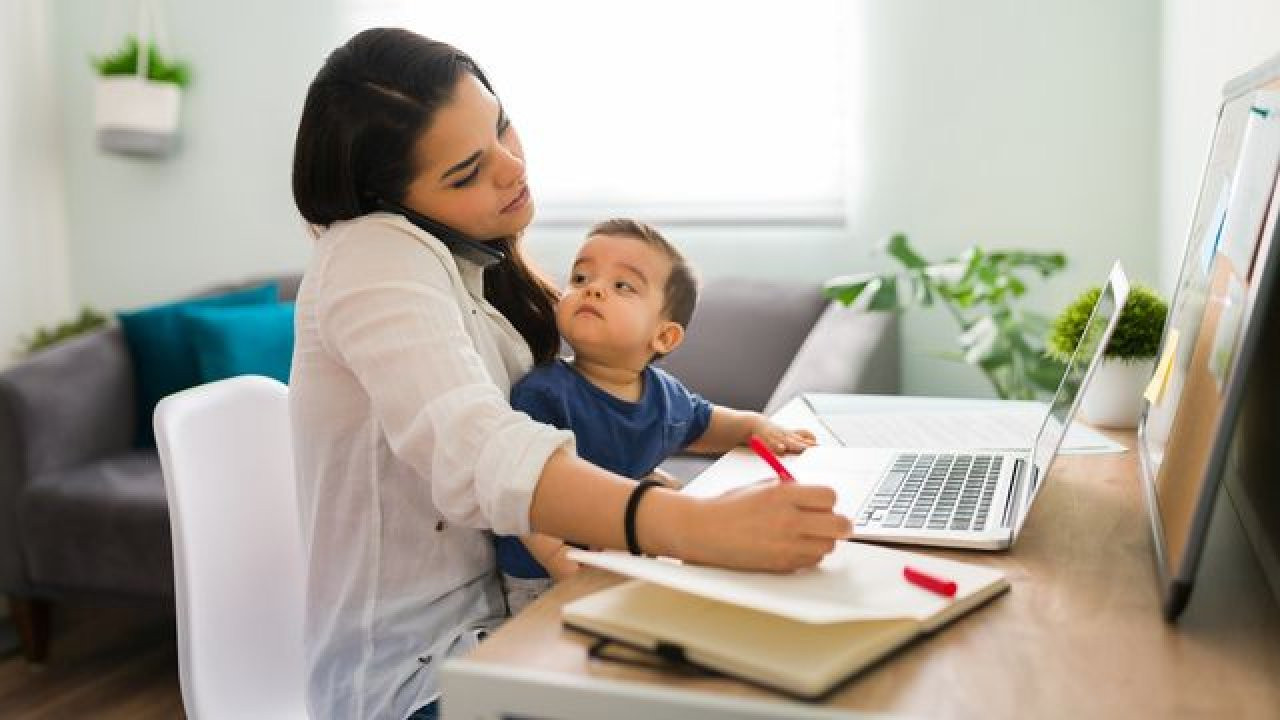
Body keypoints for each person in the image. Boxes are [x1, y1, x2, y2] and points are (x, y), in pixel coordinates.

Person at [289, 27, 852, 720]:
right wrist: (687, 525)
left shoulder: (471, 266)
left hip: (523, 622)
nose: (510, 168)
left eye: (502, 127)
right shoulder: (371, 256)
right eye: (466, 173)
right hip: (419, 679)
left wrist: (631, 489)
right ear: (391, 200)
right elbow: (477, 449)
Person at [495, 218, 818, 613]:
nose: (592, 288)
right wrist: (558, 558)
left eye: (622, 286)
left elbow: (707, 424)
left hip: (628, 551)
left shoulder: (664, 396)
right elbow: (525, 491)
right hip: (543, 572)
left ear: (664, 337)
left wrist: (755, 427)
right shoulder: (543, 392)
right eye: (580, 277)